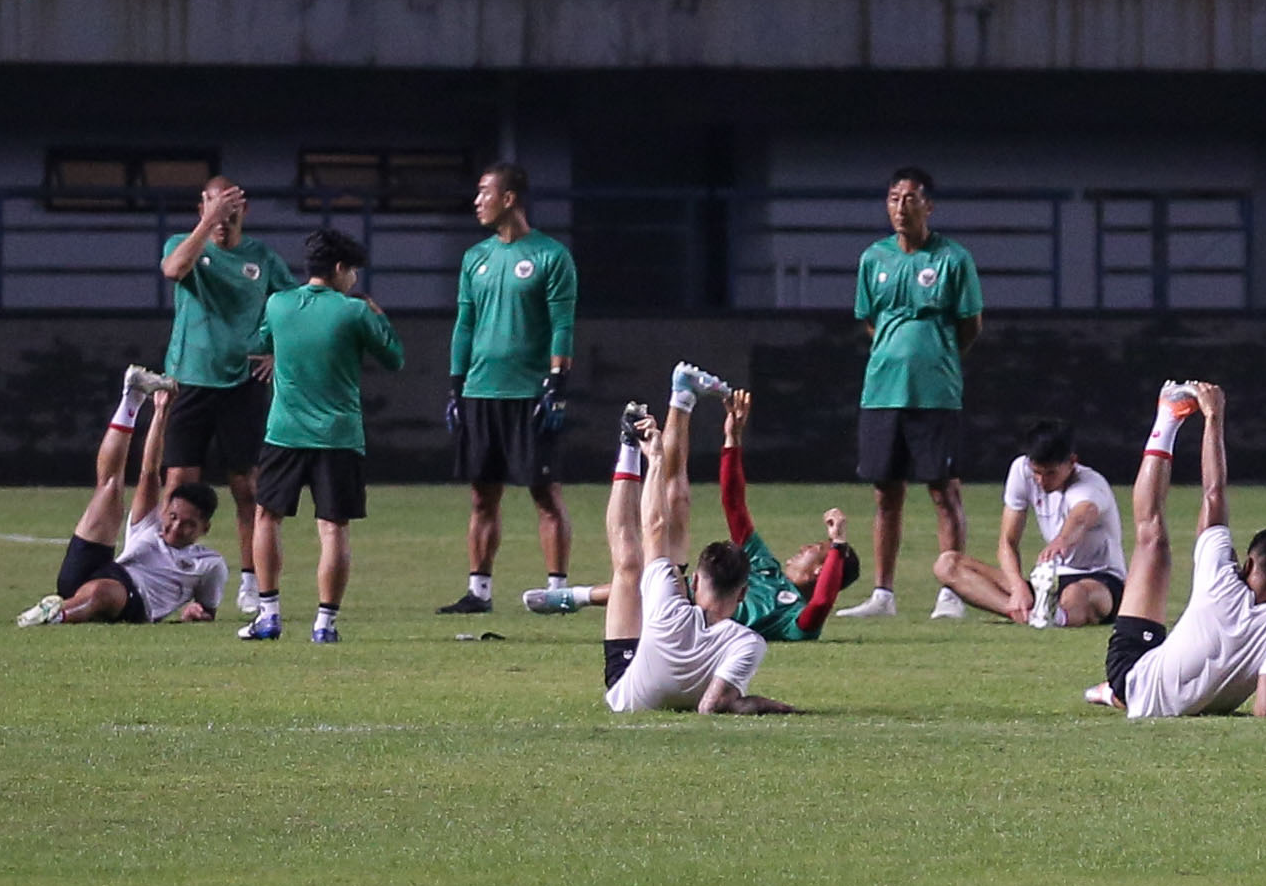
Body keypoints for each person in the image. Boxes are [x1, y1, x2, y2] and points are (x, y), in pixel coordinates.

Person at [1090, 381, 1266, 719]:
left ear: (1246, 564)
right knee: (1153, 545)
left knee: (1151, 536)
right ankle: (1166, 417)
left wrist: (1213, 417)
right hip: (1137, 673)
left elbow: (1213, 493)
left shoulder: (1221, 576)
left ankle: (1167, 421)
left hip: (1134, 678)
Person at [526, 384, 854, 639]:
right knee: (674, 508)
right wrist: (732, 440)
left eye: (816, 549)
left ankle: (572, 597)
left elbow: (822, 603)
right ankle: (679, 401)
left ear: (821, 572)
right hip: (682, 591)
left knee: (653, 551)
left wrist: (837, 544)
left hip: (681, 619)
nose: (804, 548)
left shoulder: (794, 618)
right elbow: (735, 505)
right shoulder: (768, 568)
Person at [239, 228, 403, 644]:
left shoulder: (279, 304)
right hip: (338, 436)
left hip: (285, 433)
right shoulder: (354, 312)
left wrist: (284, 348)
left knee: (266, 517)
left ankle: (269, 616)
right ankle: (324, 625)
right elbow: (394, 358)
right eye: (353, 272)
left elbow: (255, 343)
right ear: (339, 269)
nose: (354, 281)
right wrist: (378, 314)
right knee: (332, 528)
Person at [601, 370, 799, 714]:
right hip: (665, 634)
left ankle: (652, 425)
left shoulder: (672, 602)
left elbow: (654, 526)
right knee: (655, 530)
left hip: (652, 651)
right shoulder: (744, 637)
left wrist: (658, 459)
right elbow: (656, 524)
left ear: (693, 580)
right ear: (743, 592)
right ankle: (659, 418)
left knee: (638, 555)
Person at [834, 165, 982, 621]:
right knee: (885, 492)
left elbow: (969, 325)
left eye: (911, 198)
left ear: (929, 205)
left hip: (935, 392)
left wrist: (933, 356)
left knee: (942, 491)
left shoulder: (953, 259)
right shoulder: (873, 259)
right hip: (881, 391)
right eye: (895, 198)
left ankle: (951, 592)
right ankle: (883, 594)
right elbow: (870, 320)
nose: (901, 207)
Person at [438, 162, 580, 616]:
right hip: (481, 392)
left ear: (510, 198)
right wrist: (456, 387)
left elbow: (562, 326)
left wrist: (557, 385)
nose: (477, 201)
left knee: (544, 492)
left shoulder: (550, 256)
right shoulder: (474, 257)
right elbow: (464, 325)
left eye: (484, 192)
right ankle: (478, 591)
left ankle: (557, 591)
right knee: (482, 495)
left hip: (529, 394)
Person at [157, 174, 294, 612]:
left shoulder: (262, 259)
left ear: (243, 211)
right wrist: (205, 225)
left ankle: (251, 582)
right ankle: (164, 572)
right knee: (178, 485)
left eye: (229, 211)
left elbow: (291, 309)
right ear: (203, 207)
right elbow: (173, 270)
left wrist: (276, 351)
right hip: (190, 380)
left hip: (242, 385)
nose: (221, 220)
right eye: (214, 209)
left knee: (247, 487)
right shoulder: (186, 245)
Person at [16, 369, 232, 626]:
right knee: (109, 488)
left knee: (101, 592)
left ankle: (53, 616)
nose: (175, 527)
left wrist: (196, 613)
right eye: (172, 517)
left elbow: (207, 610)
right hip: (98, 572)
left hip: (136, 599)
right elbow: (149, 472)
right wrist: (160, 413)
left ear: (204, 528)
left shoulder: (209, 564)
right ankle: (132, 398)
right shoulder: (150, 527)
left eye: (187, 524)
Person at [931, 416, 1122, 628]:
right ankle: (1027, 613)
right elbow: (1007, 541)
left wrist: (1061, 541)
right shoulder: (1021, 471)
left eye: (1050, 473)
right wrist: (1018, 587)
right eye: (1037, 473)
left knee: (1076, 594)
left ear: (1072, 463)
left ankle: (1056, 616)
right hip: (1048, 583)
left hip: (1099, 579)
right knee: (948, 564)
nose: (1041, 481)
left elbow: (1082, 515)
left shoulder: (1091, 485)